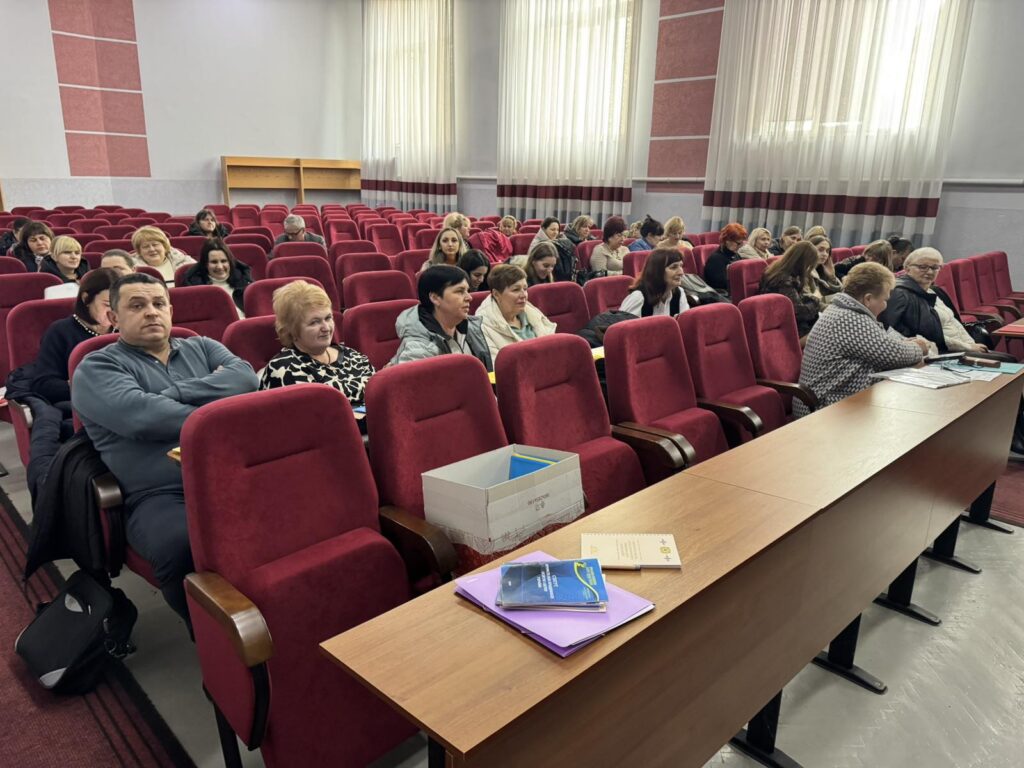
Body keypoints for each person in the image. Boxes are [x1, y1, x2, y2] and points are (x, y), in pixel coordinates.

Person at [71, 273, 258, 624]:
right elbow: (143, 418)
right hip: (160, 493)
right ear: (112, 316)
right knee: (182, 545)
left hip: (233, 473)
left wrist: (173, 394)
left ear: (171, 311)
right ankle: (215, 637)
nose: (151, 312)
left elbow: (246, 379)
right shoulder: (96, 367)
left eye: (159, 304)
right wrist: (214, 403)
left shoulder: (201, 346)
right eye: (137, 306)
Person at [796, 262, 926, 417]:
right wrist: (919, 347)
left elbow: (884, 345)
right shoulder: (850, 318)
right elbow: (894, 355)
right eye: (884, 300)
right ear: (868, 299)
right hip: (825, 407)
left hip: (835, 398)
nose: (885, 306)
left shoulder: (842, 309)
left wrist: (904, 345)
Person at [260, 280, 374, 405]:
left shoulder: (353, 356)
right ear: (292, 330)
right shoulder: (284, 368)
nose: (326, 328)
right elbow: (313, 412)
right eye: (314, 322)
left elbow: (378, 394)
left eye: (328, 318)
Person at [31, 268, 117, 405]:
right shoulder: (60, 331)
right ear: (86, 299)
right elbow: (44, 385)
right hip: (83, 404)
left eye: (120, 305)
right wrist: (88, 386)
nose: (114, 311)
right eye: (107, 304)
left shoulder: (127, 328)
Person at [879, 247, 989, 354]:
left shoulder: (935, 291)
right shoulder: (899, 293)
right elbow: (901, 333)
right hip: (938, 353)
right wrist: (968, 347)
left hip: (964, 349)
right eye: (923, 267)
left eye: (935, 267)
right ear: (907, 268)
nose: (930, 272)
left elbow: (954, 322)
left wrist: (971, 344)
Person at [391, 265, 492, 370]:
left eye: (468, 291)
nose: (469, 297)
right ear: (435, 298)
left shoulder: (474, 327)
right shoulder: (417, 349)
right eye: (460, 291)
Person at [475, 264, 556, 361]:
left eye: (525, 289)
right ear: (496, 294)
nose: (523, 295)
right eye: (516, 290)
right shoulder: (481, 326)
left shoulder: (531, 312)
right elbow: (497, 365)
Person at [759, 241, 822, 340]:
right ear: (803, 263)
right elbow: (798, 313)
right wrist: (815, 299)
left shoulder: (777, 270)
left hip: (781, 322)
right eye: (809, 265)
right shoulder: (785, 280)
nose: (809, 270)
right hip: (787, 329)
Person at [182, 239, 252, 316]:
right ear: (205, 264)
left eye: (224, 261)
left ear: (230, 262)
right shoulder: (195, 287)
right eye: (214, 262)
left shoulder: (244, 280)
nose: (220, 267)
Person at [619, 248, 689, 318]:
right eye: (673, 267)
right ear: (658, 271)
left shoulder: (679, 293)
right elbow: (622, 324)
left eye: (681, 266)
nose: (681, 272)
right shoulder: (638, 297)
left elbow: (685, 322)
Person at [703, 223, 748, 293]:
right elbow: (721, 285)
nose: (741, 246)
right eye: (739, 243)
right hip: (722, 294)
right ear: (727, 241)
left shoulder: (736, 255)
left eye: (742, 243)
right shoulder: (716, 259)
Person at [808, 235, 842, 301]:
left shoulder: (823, 269)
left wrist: (832, 277)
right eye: (820, 250)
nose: (825, 254)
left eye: (827, 251)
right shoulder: (804, 270)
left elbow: (837, 292)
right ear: (809, 250)